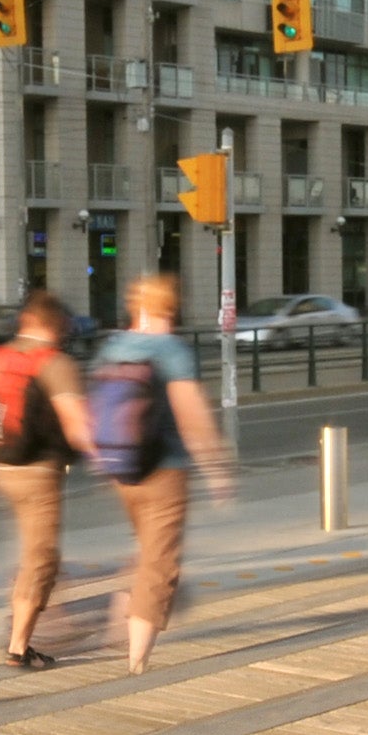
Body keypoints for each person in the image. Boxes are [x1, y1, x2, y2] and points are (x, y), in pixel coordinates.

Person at [84, 269, 233, 673]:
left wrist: (100, 460)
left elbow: (93, 408)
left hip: (122, 468)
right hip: (165, 470)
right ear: (171, 304)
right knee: (160, 560)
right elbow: (193, 417)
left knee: (146, 544)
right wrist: (217, 470)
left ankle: (122, 615)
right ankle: (137, 660)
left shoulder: (112, 347)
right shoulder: (171, 351)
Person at [0, 292, 95, 667]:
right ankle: (18, 645)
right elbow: (77, 424)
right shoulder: (56, 363)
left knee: (35, 554)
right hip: (37, 473)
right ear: (57, 326)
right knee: (41, 559)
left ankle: (35, 612)